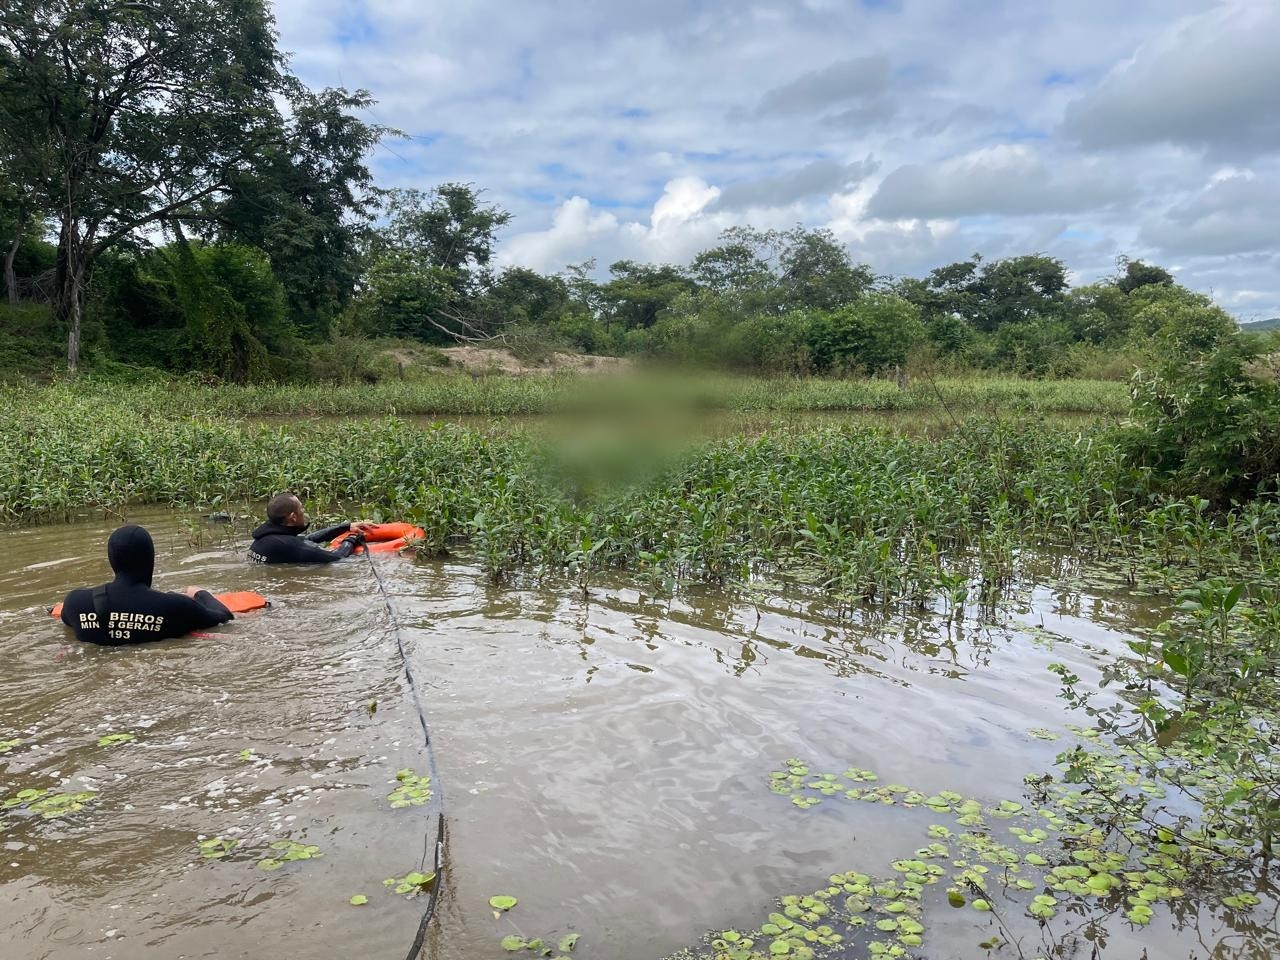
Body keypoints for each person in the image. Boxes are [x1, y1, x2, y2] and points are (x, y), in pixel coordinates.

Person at [60, 524, 233, 645]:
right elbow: (224, 617)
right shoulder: (176, 606)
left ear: (112, 560)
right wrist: (199, 592)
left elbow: (68, 623)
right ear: (149, 559)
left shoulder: (76, 602)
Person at [248, 493, 372, 564]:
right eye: (301, 508)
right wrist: (351, 540)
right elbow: (336, 558)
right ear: (293, 518)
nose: (304, 511)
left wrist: (346, 527)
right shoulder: (290, 544)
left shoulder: (268, 537)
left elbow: (307, 539)